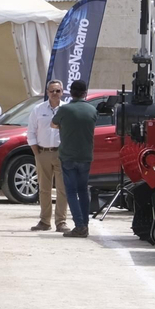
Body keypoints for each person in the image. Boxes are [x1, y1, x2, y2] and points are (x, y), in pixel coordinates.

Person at [52, 79, 97, 238]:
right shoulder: (92, 110)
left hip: (68, 156)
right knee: (83, 191)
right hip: (85, 156)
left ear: (70, 93)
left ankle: (79, 226)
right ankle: (85, 224)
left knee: (71, 191)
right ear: (85, 92)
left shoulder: (65, 110)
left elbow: (53, 124)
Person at [26, 80, 67, 231]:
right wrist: (36, 152)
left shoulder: (66, 109)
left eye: (58, 91)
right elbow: (30, 131)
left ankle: (61, 222)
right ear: (47, 93)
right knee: (44, 189)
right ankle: (44, 221)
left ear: (62, 92)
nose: (55, 93)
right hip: (43, 152)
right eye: (52, 91)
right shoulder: (38, 109)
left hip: (61, 153)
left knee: (63, 189)